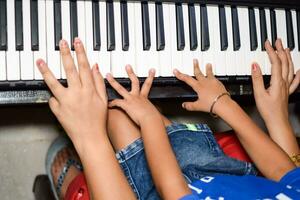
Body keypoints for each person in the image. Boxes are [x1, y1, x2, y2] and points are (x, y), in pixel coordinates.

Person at [40, 38, 300, 199]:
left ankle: (68, 173)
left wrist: (90, 137)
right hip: (219, 174)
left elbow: (173, 191)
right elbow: (288, 175)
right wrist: (224, 103)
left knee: (114, 109)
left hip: (169, 193)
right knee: (121, 104)